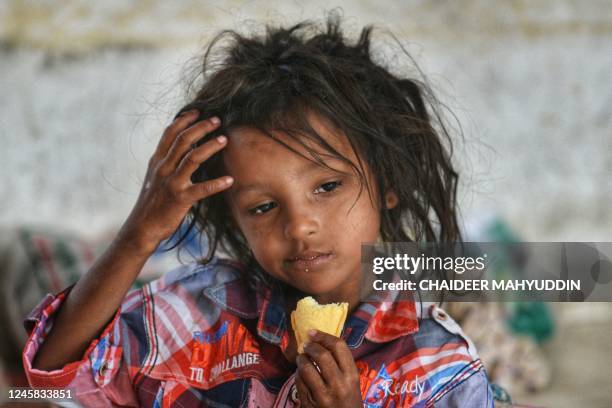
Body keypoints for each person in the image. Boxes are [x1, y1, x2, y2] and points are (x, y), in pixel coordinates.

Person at [22, 14, 494, 407]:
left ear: (387, 183)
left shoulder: (437, 366)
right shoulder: (199, 313)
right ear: (233, 215)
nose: (299, 225)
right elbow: (53, 379)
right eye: (264, 206)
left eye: (327, 186)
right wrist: (139, 234)